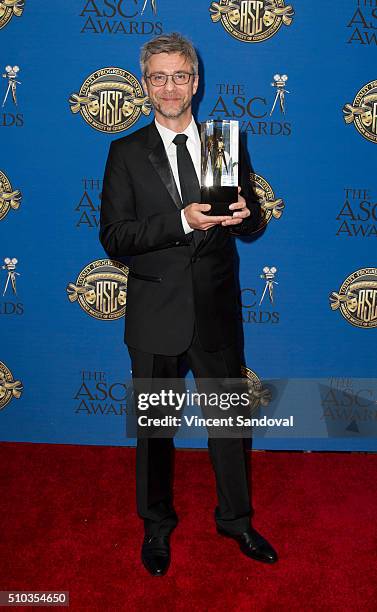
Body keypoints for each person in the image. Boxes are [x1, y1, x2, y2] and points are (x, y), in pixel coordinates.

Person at [99, 32, 277, 576]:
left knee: (229, 423)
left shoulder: (225, 142)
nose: (170, 86)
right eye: (158, 76)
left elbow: (254, 224)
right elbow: (115, 237)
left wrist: (247, 214)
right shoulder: (125, 152)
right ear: (146, 85)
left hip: (216, 308)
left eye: (180, 75)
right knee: (155, 430)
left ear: (196, 82)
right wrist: (181, 221)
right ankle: (156, 526)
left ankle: (236, 519)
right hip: (156, 312)